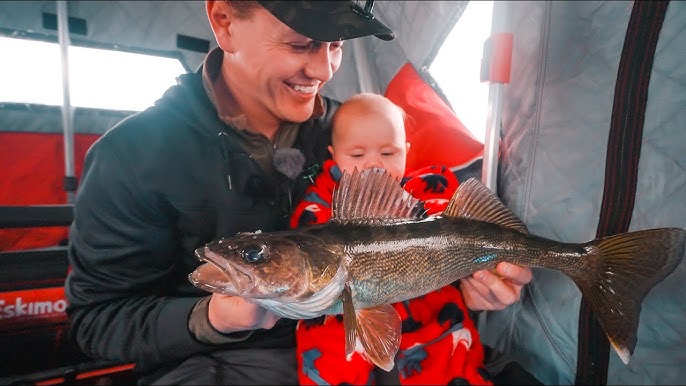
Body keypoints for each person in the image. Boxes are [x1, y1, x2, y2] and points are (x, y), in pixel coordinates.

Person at [64, 1, 532, 385]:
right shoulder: (130, 156)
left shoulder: (355, 134)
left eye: (335, 46)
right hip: (224, 365)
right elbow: (96, 321)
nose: (323, 68)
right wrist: (212, 319)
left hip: (384, 350)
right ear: (224, 22)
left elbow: (409, 239)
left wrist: (465, 281)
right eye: (301, 43)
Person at [291, 93, 493, 385]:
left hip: (427, 309)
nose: (374, 164)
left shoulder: (425, 188)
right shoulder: (322, 201)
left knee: (452, 355)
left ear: (406, 151)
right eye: (357, 155)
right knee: (326, 351)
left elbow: (445, 213)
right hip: (344, 312)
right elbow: (308, 241)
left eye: (388, 153)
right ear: (334, 154)